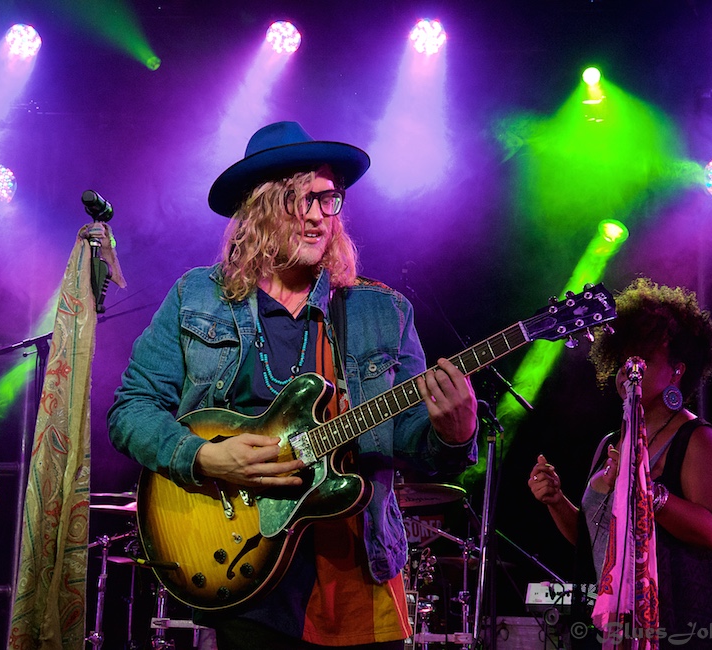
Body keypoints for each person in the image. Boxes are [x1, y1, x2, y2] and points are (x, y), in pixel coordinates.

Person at [106, 121, 478, 650]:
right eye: (294, 200)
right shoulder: (197, 297)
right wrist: (203, 458)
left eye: (327, 200)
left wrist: (452, 433)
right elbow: (131, 409)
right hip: (245, 569)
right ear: (256, 210)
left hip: (358, 573)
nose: (314, 216)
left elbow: (414, 441)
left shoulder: (383, 310)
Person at [527, 278, 712, 646]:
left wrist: (645, 489)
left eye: (643, 356)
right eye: (625, 353)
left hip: (676, 630)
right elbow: (595, 538)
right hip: (608, 633)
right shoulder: (613, 442)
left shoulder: (700, 441)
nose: (629, 365)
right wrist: (555, 500)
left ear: (677, 370)